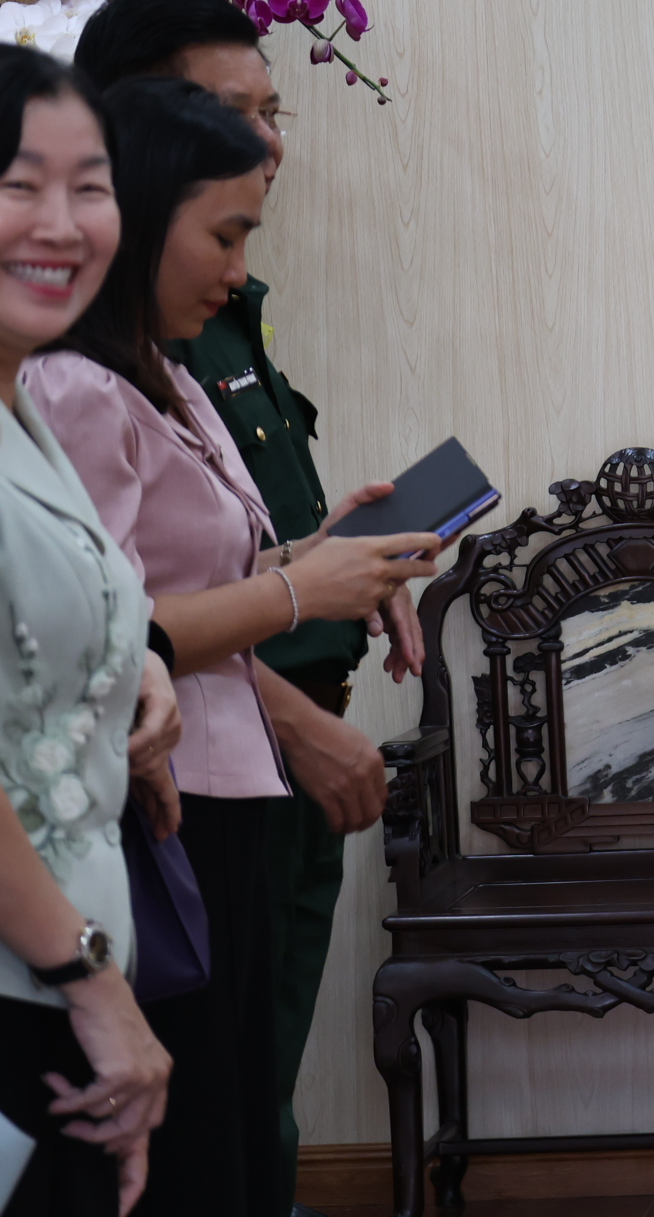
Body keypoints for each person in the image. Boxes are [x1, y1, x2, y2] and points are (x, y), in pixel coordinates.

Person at [22, 77, 438, 1217]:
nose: (238, 270)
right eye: (223, 236)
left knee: (242, 1118)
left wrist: (325, 556)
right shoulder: (73, 388)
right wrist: (300, 591)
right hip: (161, 799)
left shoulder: (167, 373)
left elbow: (199, 569)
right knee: (195, 1143)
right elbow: (120, 628)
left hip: (231, 785)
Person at [0, 49, 176, 1217]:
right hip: (41, 971)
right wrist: (93, 982)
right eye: (18, 184)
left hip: (49, 980)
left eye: (90, 186)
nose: (60, 224)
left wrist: (133, 666)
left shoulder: (23, 399)